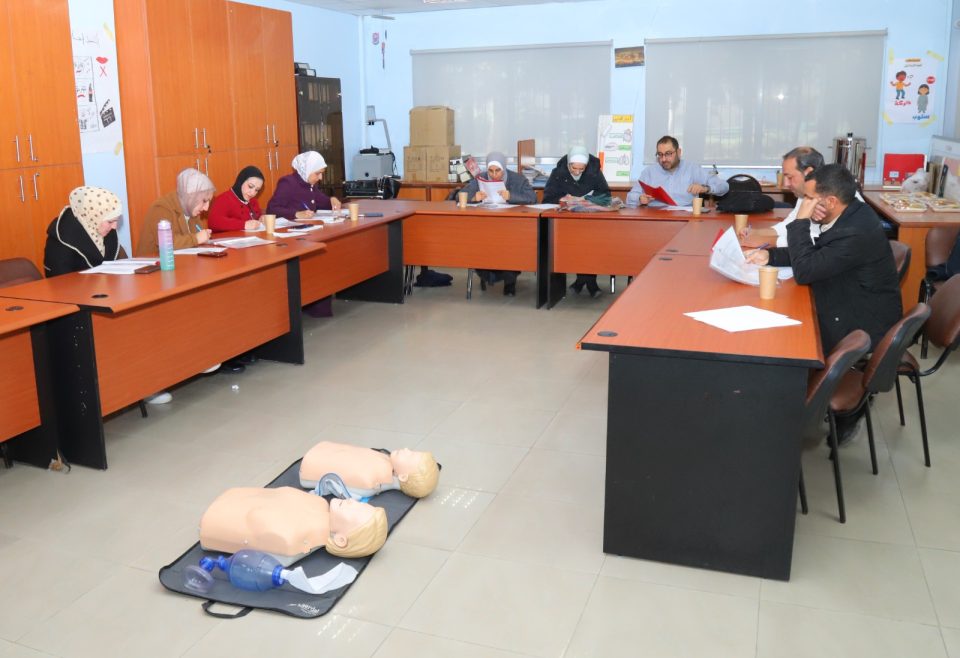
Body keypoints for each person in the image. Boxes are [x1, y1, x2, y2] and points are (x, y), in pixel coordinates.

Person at [746, 164, 902, 444]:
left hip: (864, 321)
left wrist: (800, 222)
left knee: (790, 336)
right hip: (853, 296)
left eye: (809, 198)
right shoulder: (850, 213)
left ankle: (807, 411)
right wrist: (770, 256)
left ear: (830, 201)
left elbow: (806, 270)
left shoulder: (855, 230)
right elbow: (820, 253)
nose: (803, 204)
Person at [199, 486, 388, 562]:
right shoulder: (318, 503)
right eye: (359, 504)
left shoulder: (292, 538)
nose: (352, 501)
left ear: (340, 539)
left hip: (214, 518)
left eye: (355, 511)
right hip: (232, 499)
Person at [739, 146, 864, 248]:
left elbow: (818, 242)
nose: (786, 184)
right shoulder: (808, 192)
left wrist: (768, 241)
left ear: (808, 172)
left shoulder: (835, 196)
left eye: (790, 177)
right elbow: (791, 224)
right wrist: (757, 233)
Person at [460, 151, 537, 296]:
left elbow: (532, 198)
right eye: (491, 171)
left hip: (511, 226)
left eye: (498, 171)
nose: (494, 174)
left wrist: (511, 196)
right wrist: (474, 197)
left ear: (504, 168)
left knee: (510, 246)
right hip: (487, 225)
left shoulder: (518, 179)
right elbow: (461, 196)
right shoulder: (480, 178)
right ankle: (486, 275)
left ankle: (509, 282)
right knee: (483, 243)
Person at [542, 146, 610, 297]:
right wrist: (564, 199)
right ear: (568, 165)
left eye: (581, 169)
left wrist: (587, 199)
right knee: (571, 247)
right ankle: (588, 284)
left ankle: (582, 282)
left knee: (589, 246)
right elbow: (548, 198)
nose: (578, 172)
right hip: (565, 222)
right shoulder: (558, 173)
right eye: (574, 168)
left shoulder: (594, 171)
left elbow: (605, 195)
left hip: (590, 221)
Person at [299, 441, 440, 498]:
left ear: (403, 476)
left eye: (410, 455)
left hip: (311, 465)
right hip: (321, 453)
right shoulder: (384, 461)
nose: (407, 449)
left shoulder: (371, 483)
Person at [44, 186, 127, 277]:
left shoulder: (103, 228)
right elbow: (60, 279)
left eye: (116, 221)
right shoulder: (63, 236)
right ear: (94, 216)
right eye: (110, 222)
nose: (114, 227)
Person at [626, 136, 728, 208]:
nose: (663, 159)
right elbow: (630, 197)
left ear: (679, 152)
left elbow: (724, 186)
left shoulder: (692, 169)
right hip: (656, 219)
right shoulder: (649, 172)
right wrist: (640, 198)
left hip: (685, 219)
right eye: (660, 154)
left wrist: (705, 188)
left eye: (668, 154)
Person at [137, 168, 214, 255]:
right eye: (204, 201)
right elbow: (167, 244)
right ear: (190, 196)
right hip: (156, 262)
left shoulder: (192, 210)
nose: (206, 208)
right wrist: (196, 238)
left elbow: (196, 241)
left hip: (183, 260)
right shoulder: (161, 208)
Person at [266, 151, 341, 219]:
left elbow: (321, 202)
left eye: (322, 173)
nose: (320, 178)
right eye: (317, 173)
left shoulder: (309, 183)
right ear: (307, 170)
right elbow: (271, 210)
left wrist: (332, 200)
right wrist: (296, 214)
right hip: (292, 228)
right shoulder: (288, 183)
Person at [208, 166, 264, 233]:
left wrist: (261, 219)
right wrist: (244, 225)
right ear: (241, 181)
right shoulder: (224, 199)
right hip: (228, 239)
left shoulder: (253, 200)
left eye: (257, 190)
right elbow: (213, 222)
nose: (252, 193)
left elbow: (256, 219)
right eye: (250, 186)